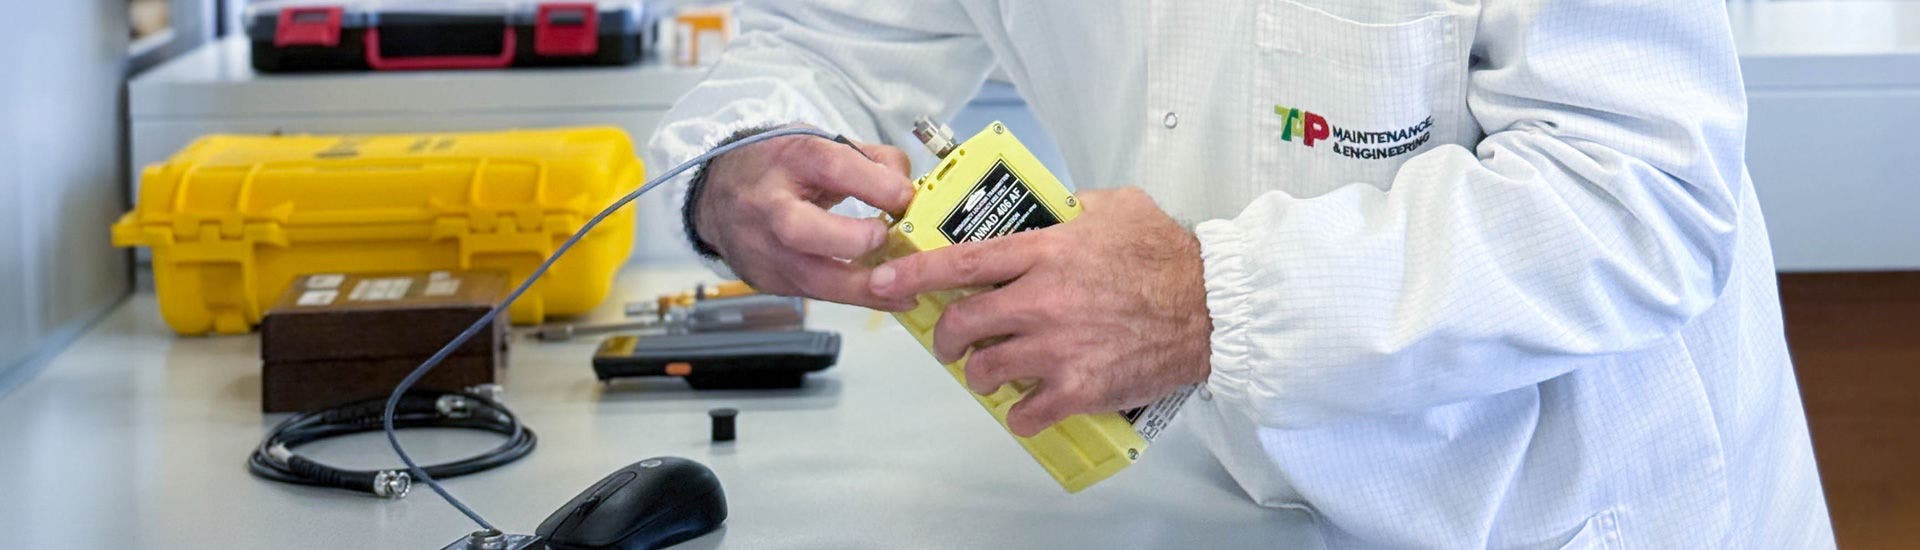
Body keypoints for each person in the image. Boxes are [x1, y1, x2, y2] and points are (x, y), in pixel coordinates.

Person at [647, 1, 1834, 546]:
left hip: (1562, 513)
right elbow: (832, 33)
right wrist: (741, 161)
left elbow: (1642, 195)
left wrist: (1204, 300)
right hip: (1226, 494)